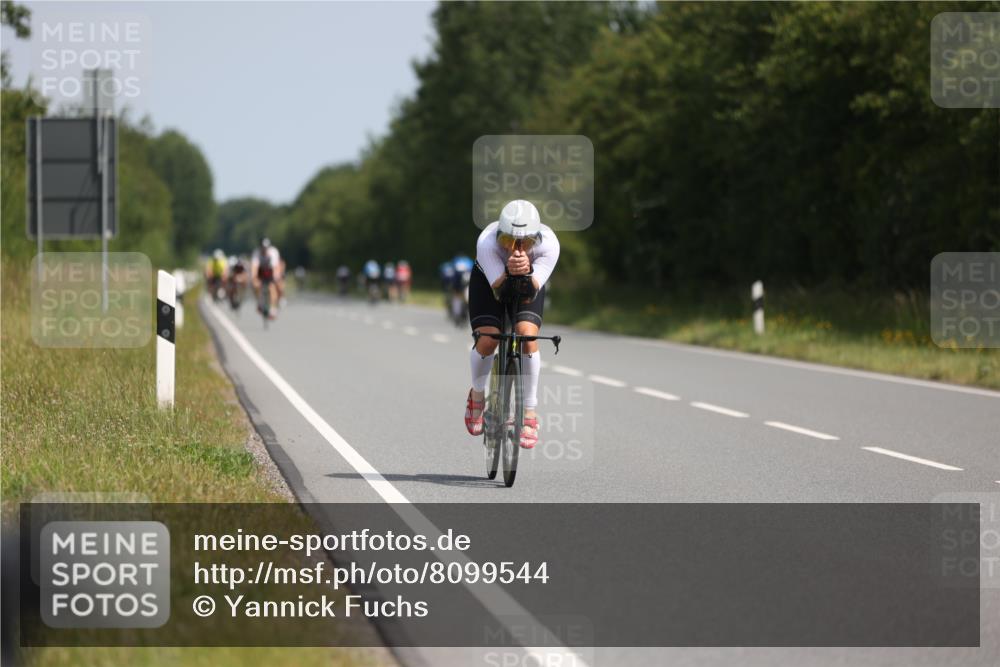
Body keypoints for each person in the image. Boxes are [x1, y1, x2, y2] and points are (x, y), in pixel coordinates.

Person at [464, 200, 559, 450]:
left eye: (526, 243)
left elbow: (528, 293)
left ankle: (529, 413)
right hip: (489, 281)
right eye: (508, 242)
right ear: (499, 236)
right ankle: (476, 395)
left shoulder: (549, 245)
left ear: (537, 239)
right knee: (489, 338)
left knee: (527, 335)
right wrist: (509, 271)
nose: (517, 248)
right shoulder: (486, 242)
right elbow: (500, 289)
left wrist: (526, 272)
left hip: (528, 282)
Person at [251, 238, 282, 319]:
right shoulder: (256, 253)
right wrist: (254, 277)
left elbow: (276, 266)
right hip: (260, 272)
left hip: (270, 272)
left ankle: (272, 308)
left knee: (272, 287)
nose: (264, 249)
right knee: (256, 285)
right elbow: (254, 267)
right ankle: (260, 302)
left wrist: (276, 276)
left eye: (266, 247)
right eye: (263, 247)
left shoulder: (273, 252)